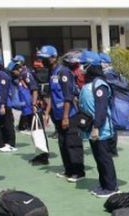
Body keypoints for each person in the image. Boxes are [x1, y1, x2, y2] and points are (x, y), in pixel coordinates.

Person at [37, 45, 85, 182]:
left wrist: (65, 117)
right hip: (57, 115)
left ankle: (78, 172)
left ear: (54, 57)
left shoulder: (64, 72)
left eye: (45, 58)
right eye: (42, 58)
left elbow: (68, 96)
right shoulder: (52, 72)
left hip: (69, 115)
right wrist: (47, 113)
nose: (43, 61)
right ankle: (68, 170)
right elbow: (53, 95)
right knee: (63, 143)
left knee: (72, 143)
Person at [79, 51, 119, 198]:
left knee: (104, 158)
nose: (81, 68)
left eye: (84, 65)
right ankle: (104, 184)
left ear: (91, 66)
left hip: (101, 130)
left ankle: (111, 187)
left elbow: (101, 109)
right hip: (92, 129)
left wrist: (96, 127)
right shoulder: (89, 84)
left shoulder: (100, 85)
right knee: (98, 158)